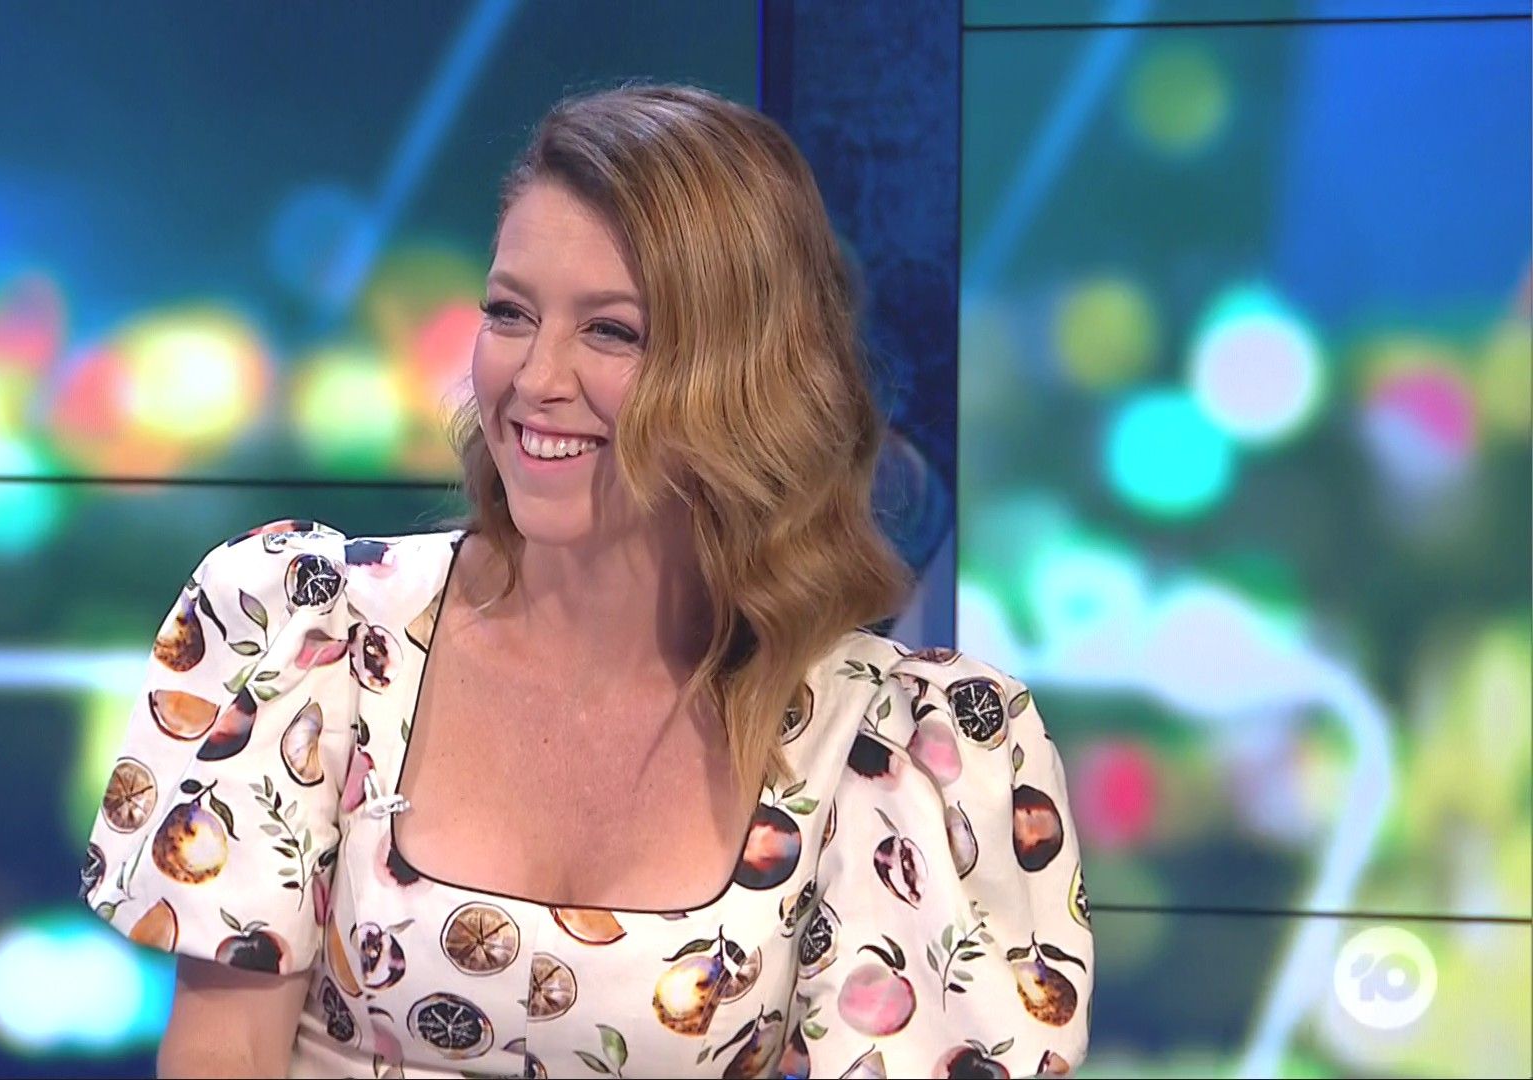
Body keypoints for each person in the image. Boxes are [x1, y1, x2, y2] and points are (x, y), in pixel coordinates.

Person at [81, 82, 1092, 1079]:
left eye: (611, 331)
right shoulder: (317, 636)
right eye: (510, 313)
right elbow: (225, 1053)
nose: (535, 379)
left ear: (745, 374)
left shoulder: (884, 746)